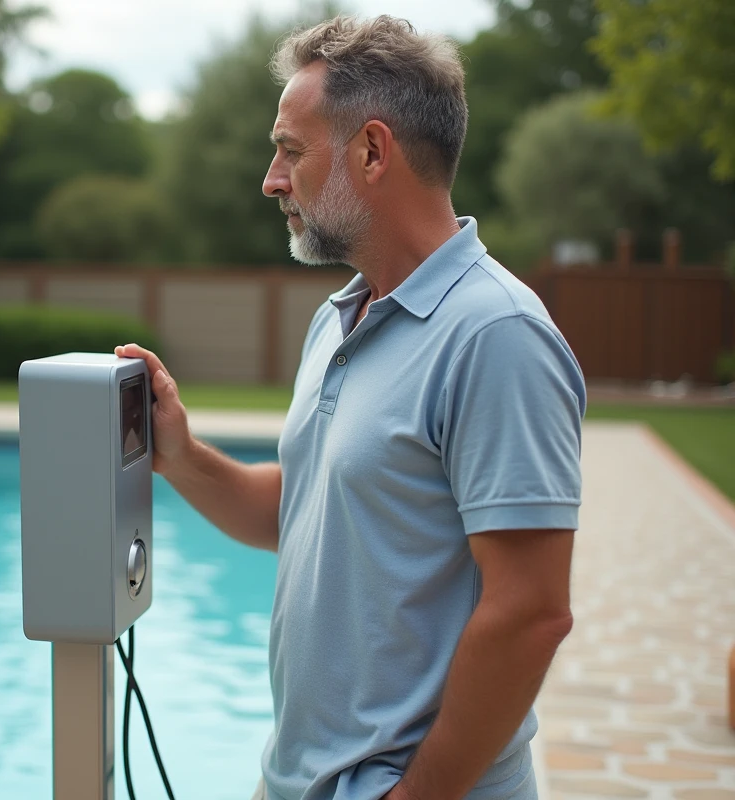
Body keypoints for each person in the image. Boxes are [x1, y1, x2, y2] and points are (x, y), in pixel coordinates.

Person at [116, 14, 585, 800]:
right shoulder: (342, 315)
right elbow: (304, 508)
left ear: (372, 151)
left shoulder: (496, 335)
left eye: (290, 150)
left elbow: (531, 612)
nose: (271, 178)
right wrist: (181, 456)